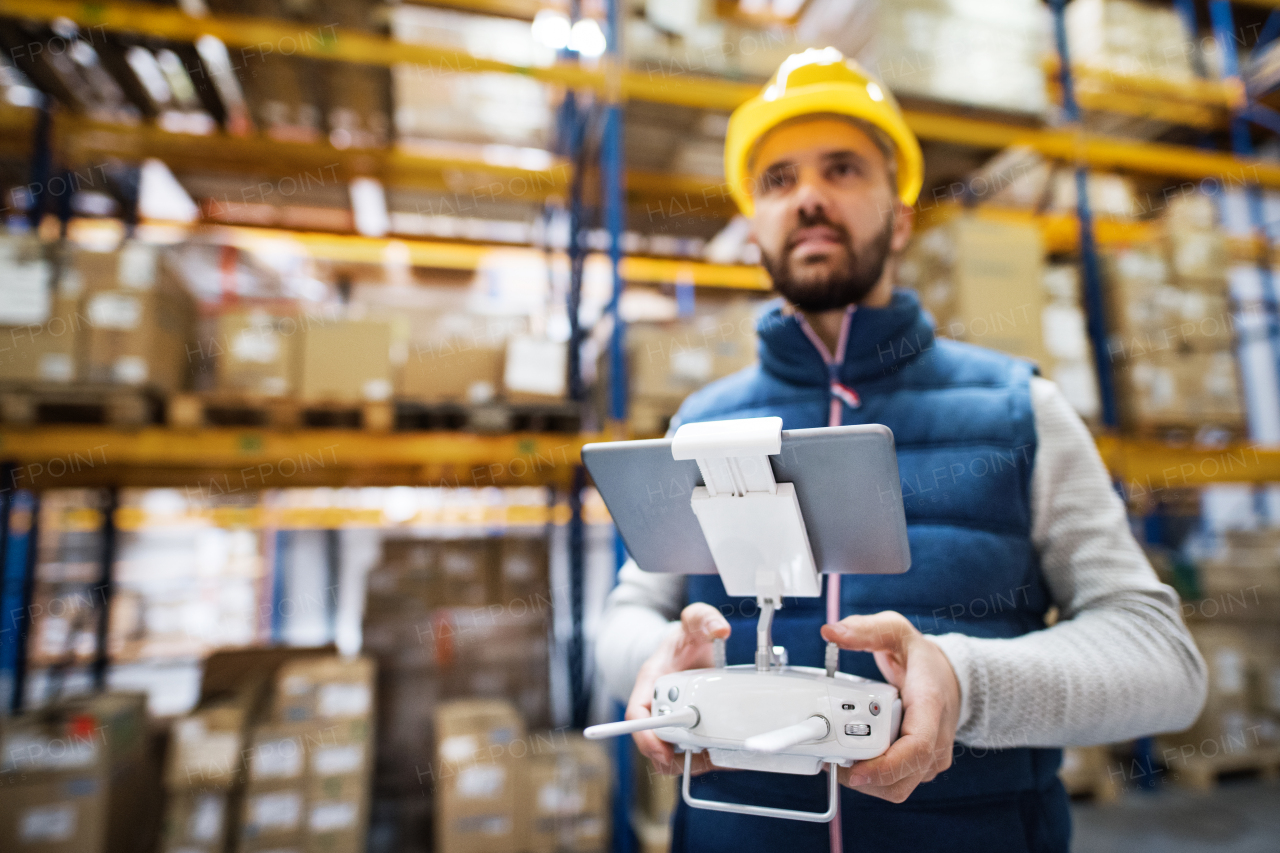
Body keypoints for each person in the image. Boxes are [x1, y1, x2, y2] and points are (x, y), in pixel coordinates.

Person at [595, 48, 1207, 853]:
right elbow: (627, 616)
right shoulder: (701, 426)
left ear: (903, 216)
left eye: (842, 169)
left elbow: (1162, 659)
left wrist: (963, 680)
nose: (808, 196)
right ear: (754, 228)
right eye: (778, 180)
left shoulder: (1020, 409)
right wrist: (651, 662)